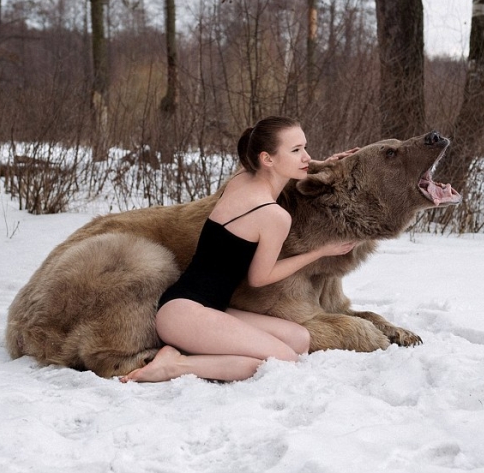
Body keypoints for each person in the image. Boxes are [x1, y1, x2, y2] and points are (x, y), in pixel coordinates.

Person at [120, 116, 356, 383]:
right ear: (266, 159)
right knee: (284, 357)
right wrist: (320, 251)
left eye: (304, 148)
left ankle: (182, 353)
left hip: (206, 307)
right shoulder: (273, 216)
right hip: (184, 315)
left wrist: (322, 165)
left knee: (299, 339)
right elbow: (259, 278)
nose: (306, 156)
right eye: (296, 150)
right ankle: (175, 365)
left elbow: (277, 168)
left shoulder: (241, 179)